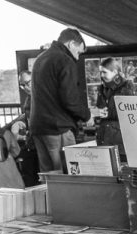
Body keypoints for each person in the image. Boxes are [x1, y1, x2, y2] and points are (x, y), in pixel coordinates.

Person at [29, 28, 91, 173]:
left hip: (38, 127)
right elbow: (70, 99)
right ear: (71, 44)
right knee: (67, 174)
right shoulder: (64, 60)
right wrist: (87, 116)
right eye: (78, 52)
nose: (77, 58)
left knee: (47, 177)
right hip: (58, 128)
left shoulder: (41, 58)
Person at [95, 57, 135, 154]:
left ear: (115, 72)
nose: (101, 75)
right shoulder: (102, 89)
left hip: (120, 138)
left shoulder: (126, 87)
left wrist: (106, 114)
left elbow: (129, 114)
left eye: (104, 72)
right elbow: (100, 108)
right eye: (100, 72)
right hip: (103, 136)